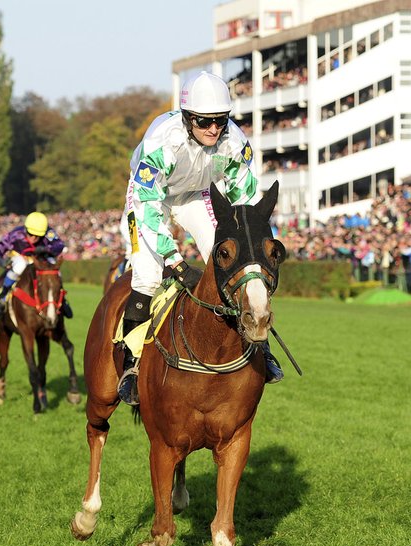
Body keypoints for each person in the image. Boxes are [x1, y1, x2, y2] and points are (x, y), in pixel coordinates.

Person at [115, 70, 284, 406]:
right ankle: (132, 367)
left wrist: (250, 241)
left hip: (194, 197)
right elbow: (148, 209)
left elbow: (245, 199)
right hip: (149, 198)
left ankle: (259, 344)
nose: (214, 129)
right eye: (205, 121)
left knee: (232, 262)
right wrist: (175, 262)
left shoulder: (234, 141)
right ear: (187, 117)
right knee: (148, 277)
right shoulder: (162, 141)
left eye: (220, 120)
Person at [0, 212, 71, 320]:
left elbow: (59, 245)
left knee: (56, 271)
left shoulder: (49, 233)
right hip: (22, 258)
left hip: (41, 259)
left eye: (38, 236)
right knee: (20, 266)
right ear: (26, 229)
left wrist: (46, 249)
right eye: (30, 234)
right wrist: (2, 261)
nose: (33, 238)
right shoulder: (15, 234)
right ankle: (3, 296)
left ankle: (62, 300)